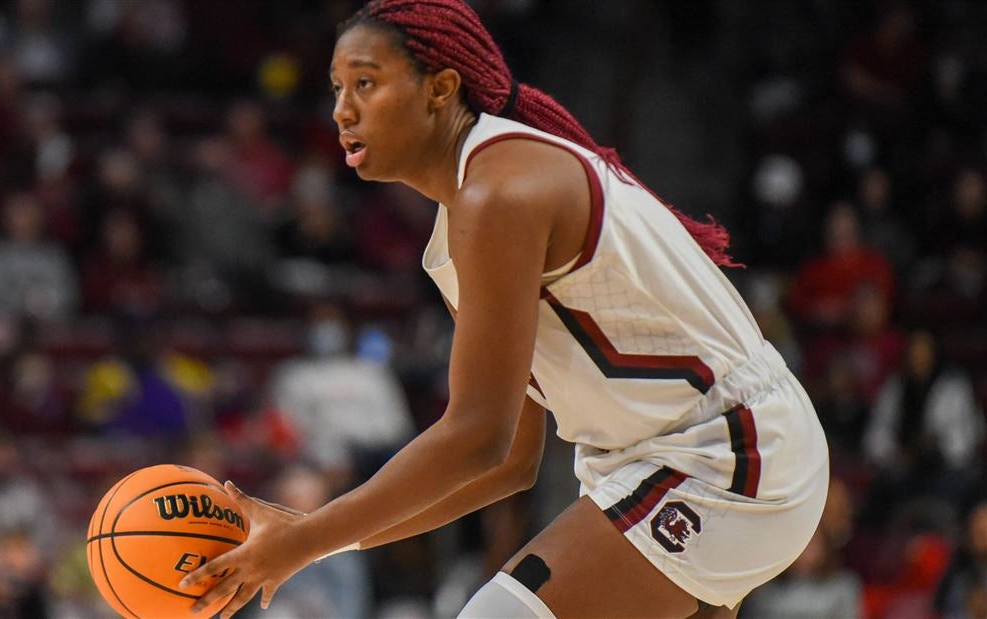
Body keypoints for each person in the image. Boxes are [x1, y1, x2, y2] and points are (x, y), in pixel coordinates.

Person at [179, 1, 829, 617]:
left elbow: (477, 437)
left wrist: (303, 542)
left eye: (366, 84)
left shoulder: (501, 195)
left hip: (729, 452)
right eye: (336, 89)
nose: (342, 111)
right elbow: (511, 460)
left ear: (440, 89)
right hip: (662, 459)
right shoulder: (468, 213)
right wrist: (316, 533)